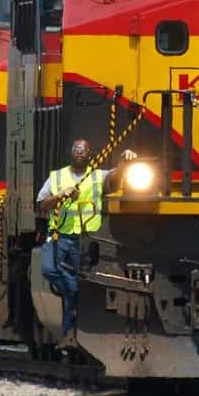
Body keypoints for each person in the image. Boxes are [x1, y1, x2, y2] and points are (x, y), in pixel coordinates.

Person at [37, 139, 137, 347]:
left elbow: (115, 176)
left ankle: (69, 334)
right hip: (59, 236)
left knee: (74, 289)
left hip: (86, 239)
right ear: (70, 153)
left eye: (83, 150)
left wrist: (124, 162)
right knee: (49, 269)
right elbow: (41, 205)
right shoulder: (56, 177)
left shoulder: (97, 176)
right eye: (76, 150)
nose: (79, 153)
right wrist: (60, 196)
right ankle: (73, 290)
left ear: (90, 154)